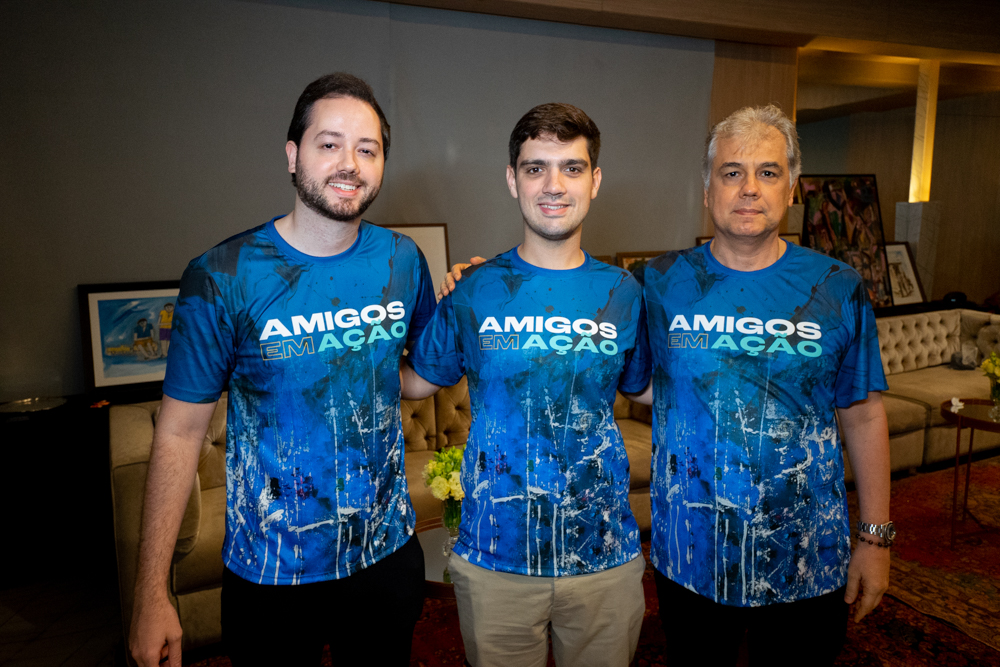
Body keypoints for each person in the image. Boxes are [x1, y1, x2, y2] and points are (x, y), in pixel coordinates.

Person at [129, 72, 435, 667]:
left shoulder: (402, 260)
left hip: (386, 557)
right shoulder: (222, 275)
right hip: (271, 574)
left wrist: (468, 305)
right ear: (293, 155)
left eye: (367, 149)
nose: (349, 164)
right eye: (329, 144)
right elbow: (180, 433)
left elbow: (411, 380)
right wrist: (151, 592)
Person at [632, 104, 892, 666]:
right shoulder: (657, 281)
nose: (749, 188)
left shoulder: (837, 286)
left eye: (767, 172)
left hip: (807, 555)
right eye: (732, 172)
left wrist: (874, 539)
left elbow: (865, 413)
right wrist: (483, 279)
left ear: (791, 187)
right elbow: (630, 375)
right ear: (708, 188)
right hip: (691, 554)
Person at [401, 103, 651, 667]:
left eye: (571, 167)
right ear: (513, 179)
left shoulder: (625, 293)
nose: (553, 184)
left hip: (604, 555)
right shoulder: (473, 289)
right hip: (495, 558)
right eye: (536, 168)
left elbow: (646, 389)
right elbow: (415, 383)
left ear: (595, 180)